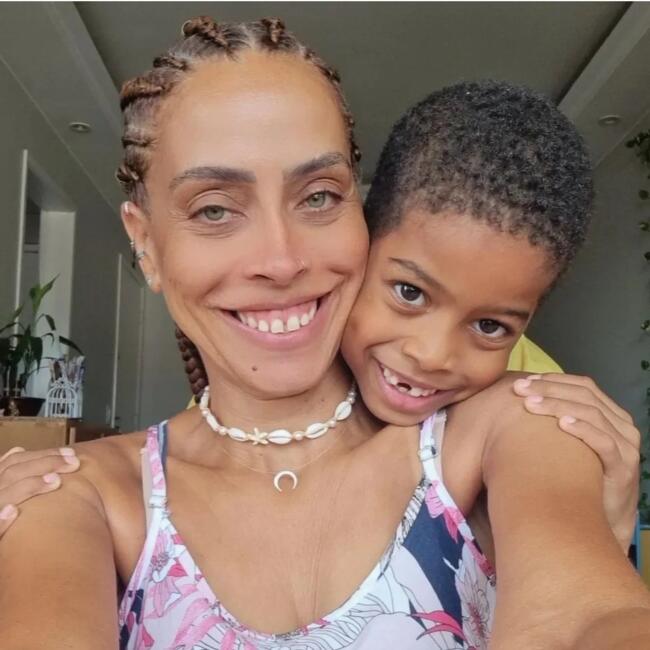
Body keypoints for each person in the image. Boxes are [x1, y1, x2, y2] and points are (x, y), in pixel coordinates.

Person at [0, 16, 647, 650]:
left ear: (361, 215)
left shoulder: (508, 427)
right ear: (144, 242)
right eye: (215, 208)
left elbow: (582, 618)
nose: (281, 261)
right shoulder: (73, 494)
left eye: (317, 196)